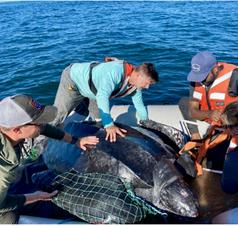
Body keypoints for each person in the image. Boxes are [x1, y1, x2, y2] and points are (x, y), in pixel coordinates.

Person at [0, 94, 99, 223]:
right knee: (9, 217)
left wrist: (76, 141)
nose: (43, 123)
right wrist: (33, 197)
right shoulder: (3, 168)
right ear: (17, 130)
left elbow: (45, 129)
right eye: (38, 122)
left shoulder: (13, 129)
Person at [181, 51, 238, 171]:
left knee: (212, 162)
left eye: (203, 76)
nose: (200, 80)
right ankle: (196, 138)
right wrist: (210, 114)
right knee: (183, 102)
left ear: (215, 69)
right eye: (197, 76)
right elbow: (193, 111)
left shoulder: (234, 78)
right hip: (214, 123)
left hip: (232, 126)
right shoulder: (195, 80)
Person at [52, 57, 159, 142]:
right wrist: (109, 124)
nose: (147, 87)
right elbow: (102, 96)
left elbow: (139, 104)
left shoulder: (136, 86)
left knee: (98, 120)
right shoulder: (115, 73)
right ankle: (39, 140)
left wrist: (145, 122)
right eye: (147, 83)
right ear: (139, 76)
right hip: (74, 80)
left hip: (93, 91)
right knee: (59, 114)